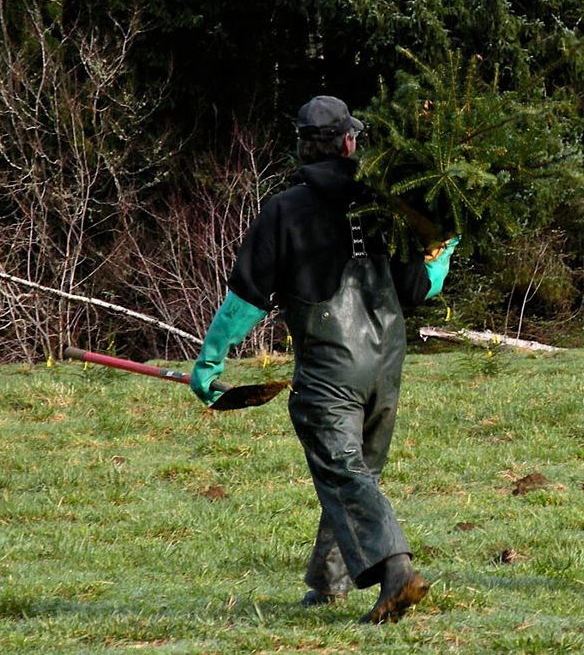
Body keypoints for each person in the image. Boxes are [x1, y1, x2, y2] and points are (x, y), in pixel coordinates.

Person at [190, 95, 459, 624]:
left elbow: (246, 297)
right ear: (350, 143)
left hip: (331, 368)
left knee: (344, 474)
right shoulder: (383, 205)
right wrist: (444, 249)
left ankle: (397, 569)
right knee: (359, 473)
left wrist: (210, 360)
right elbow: (416, 286)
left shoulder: (286, 210)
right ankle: (329, 582)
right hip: (387, 362)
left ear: (301, 147)